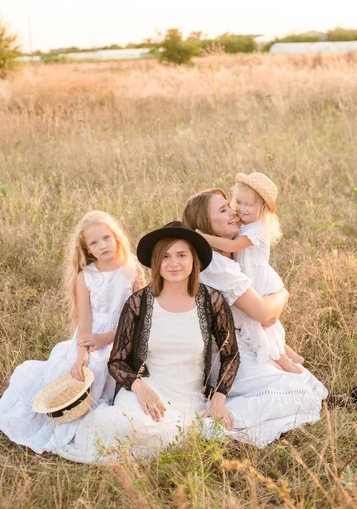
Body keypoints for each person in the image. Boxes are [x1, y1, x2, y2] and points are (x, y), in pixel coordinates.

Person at [55, 221, 240, 463]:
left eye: (181, 255)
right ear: (156, 263)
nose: (173, 263)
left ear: (194, 260)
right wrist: (139, 387)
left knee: (172, 433)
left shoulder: (212, 301)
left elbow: (231, 355)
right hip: (143, 390)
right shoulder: (139, 302)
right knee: (125, 425)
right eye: (165, 256)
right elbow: (117, 361)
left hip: (187, 395)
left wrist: (218, 401)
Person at [0, 210, 145, 454]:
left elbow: (139, 315)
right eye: (94, 242)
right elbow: (84, 321)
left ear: (117, 237)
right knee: (87, 368)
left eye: (106, 238)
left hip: (125, 335)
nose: (102, 245)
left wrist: (107, 338)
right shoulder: (86, 277)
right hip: (91, 337)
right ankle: (75, 413)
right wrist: (82, 351)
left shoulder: (131, 270)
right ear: (87, 249)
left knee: (118, 366)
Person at [182, 188, 328, 448]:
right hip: (227, 356)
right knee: (303, 393)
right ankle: (214, 422)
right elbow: (262, 313)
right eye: (223, 210)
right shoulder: (215, 265)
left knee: (308, 384)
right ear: (204, 225)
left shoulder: (230, 255)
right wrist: (283, 293)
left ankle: (229, 413)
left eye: (230, 206)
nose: (233, 212)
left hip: (246, 343)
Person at [196, 172, 303, 373]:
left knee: (260, 324)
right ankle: (293, 358)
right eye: (238, 202)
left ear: (262, 208)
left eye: (249, 205)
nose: (241, 209)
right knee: (263, 325)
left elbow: (234, 245)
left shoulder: (257, 229)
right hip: (250, 276)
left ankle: (287, 364)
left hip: (259, 279)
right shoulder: (244, 224)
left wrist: (204, 238)